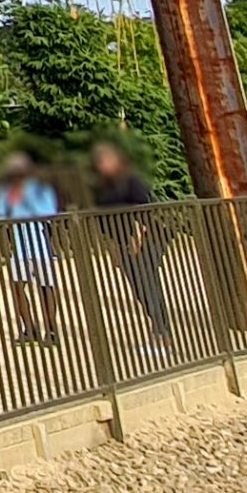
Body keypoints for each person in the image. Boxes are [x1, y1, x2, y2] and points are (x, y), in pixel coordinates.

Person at [88, 139, 171, 346]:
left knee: (147, 281)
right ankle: (157, 326)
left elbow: (143, 208)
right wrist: (114, 247)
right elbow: (103, 218)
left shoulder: (130, 179)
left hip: (146, 237)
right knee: (137, 285)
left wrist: (137, 236)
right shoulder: (102, 186)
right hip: (121, 238)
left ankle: (162, 330)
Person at [0, 150, 61, 343]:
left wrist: (25, 204)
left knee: (46, 287)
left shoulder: (41, 188)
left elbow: (49, 211)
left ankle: (51, 329)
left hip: (40, 245)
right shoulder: (7, 189)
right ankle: (29, 328)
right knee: (18, 286)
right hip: (20, 245)